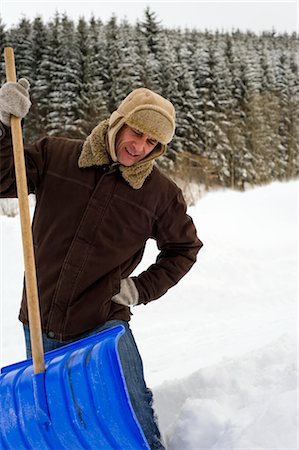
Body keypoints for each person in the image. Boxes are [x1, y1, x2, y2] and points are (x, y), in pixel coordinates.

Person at [0, 79, 202, 449]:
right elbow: (3, 177)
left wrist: (141, 288)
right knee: (60, 418)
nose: (140, 148)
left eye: (152, 143)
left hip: (103, 324)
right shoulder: (57, 155)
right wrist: (3, 124)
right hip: (39, 315)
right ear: (118, 121)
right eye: (137, 133)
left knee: (132, 411)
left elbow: (184, 248)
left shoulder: (159, 195)